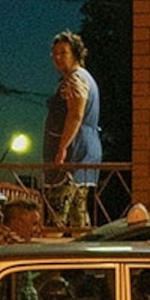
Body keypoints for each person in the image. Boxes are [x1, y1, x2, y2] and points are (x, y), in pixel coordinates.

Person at [46, 30, 103, 231]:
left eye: (63, 52)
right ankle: (83, 252)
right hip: (87, 150)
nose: (57, 57)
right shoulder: (87, 78)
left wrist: (62, 147)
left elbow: (75, 114)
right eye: (54, 53)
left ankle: (51, 256)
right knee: (78, 212)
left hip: (74, 151)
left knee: (57, 213)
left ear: (76, 54)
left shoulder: (75, 79)